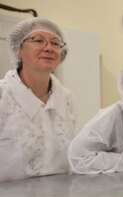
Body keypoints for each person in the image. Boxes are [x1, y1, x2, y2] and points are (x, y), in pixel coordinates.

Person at [0, 17, 76, 182]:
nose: (48, 48)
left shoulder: (66, 98)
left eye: (56, 43)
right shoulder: (2, 95)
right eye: (38, 40)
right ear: (18, 49)